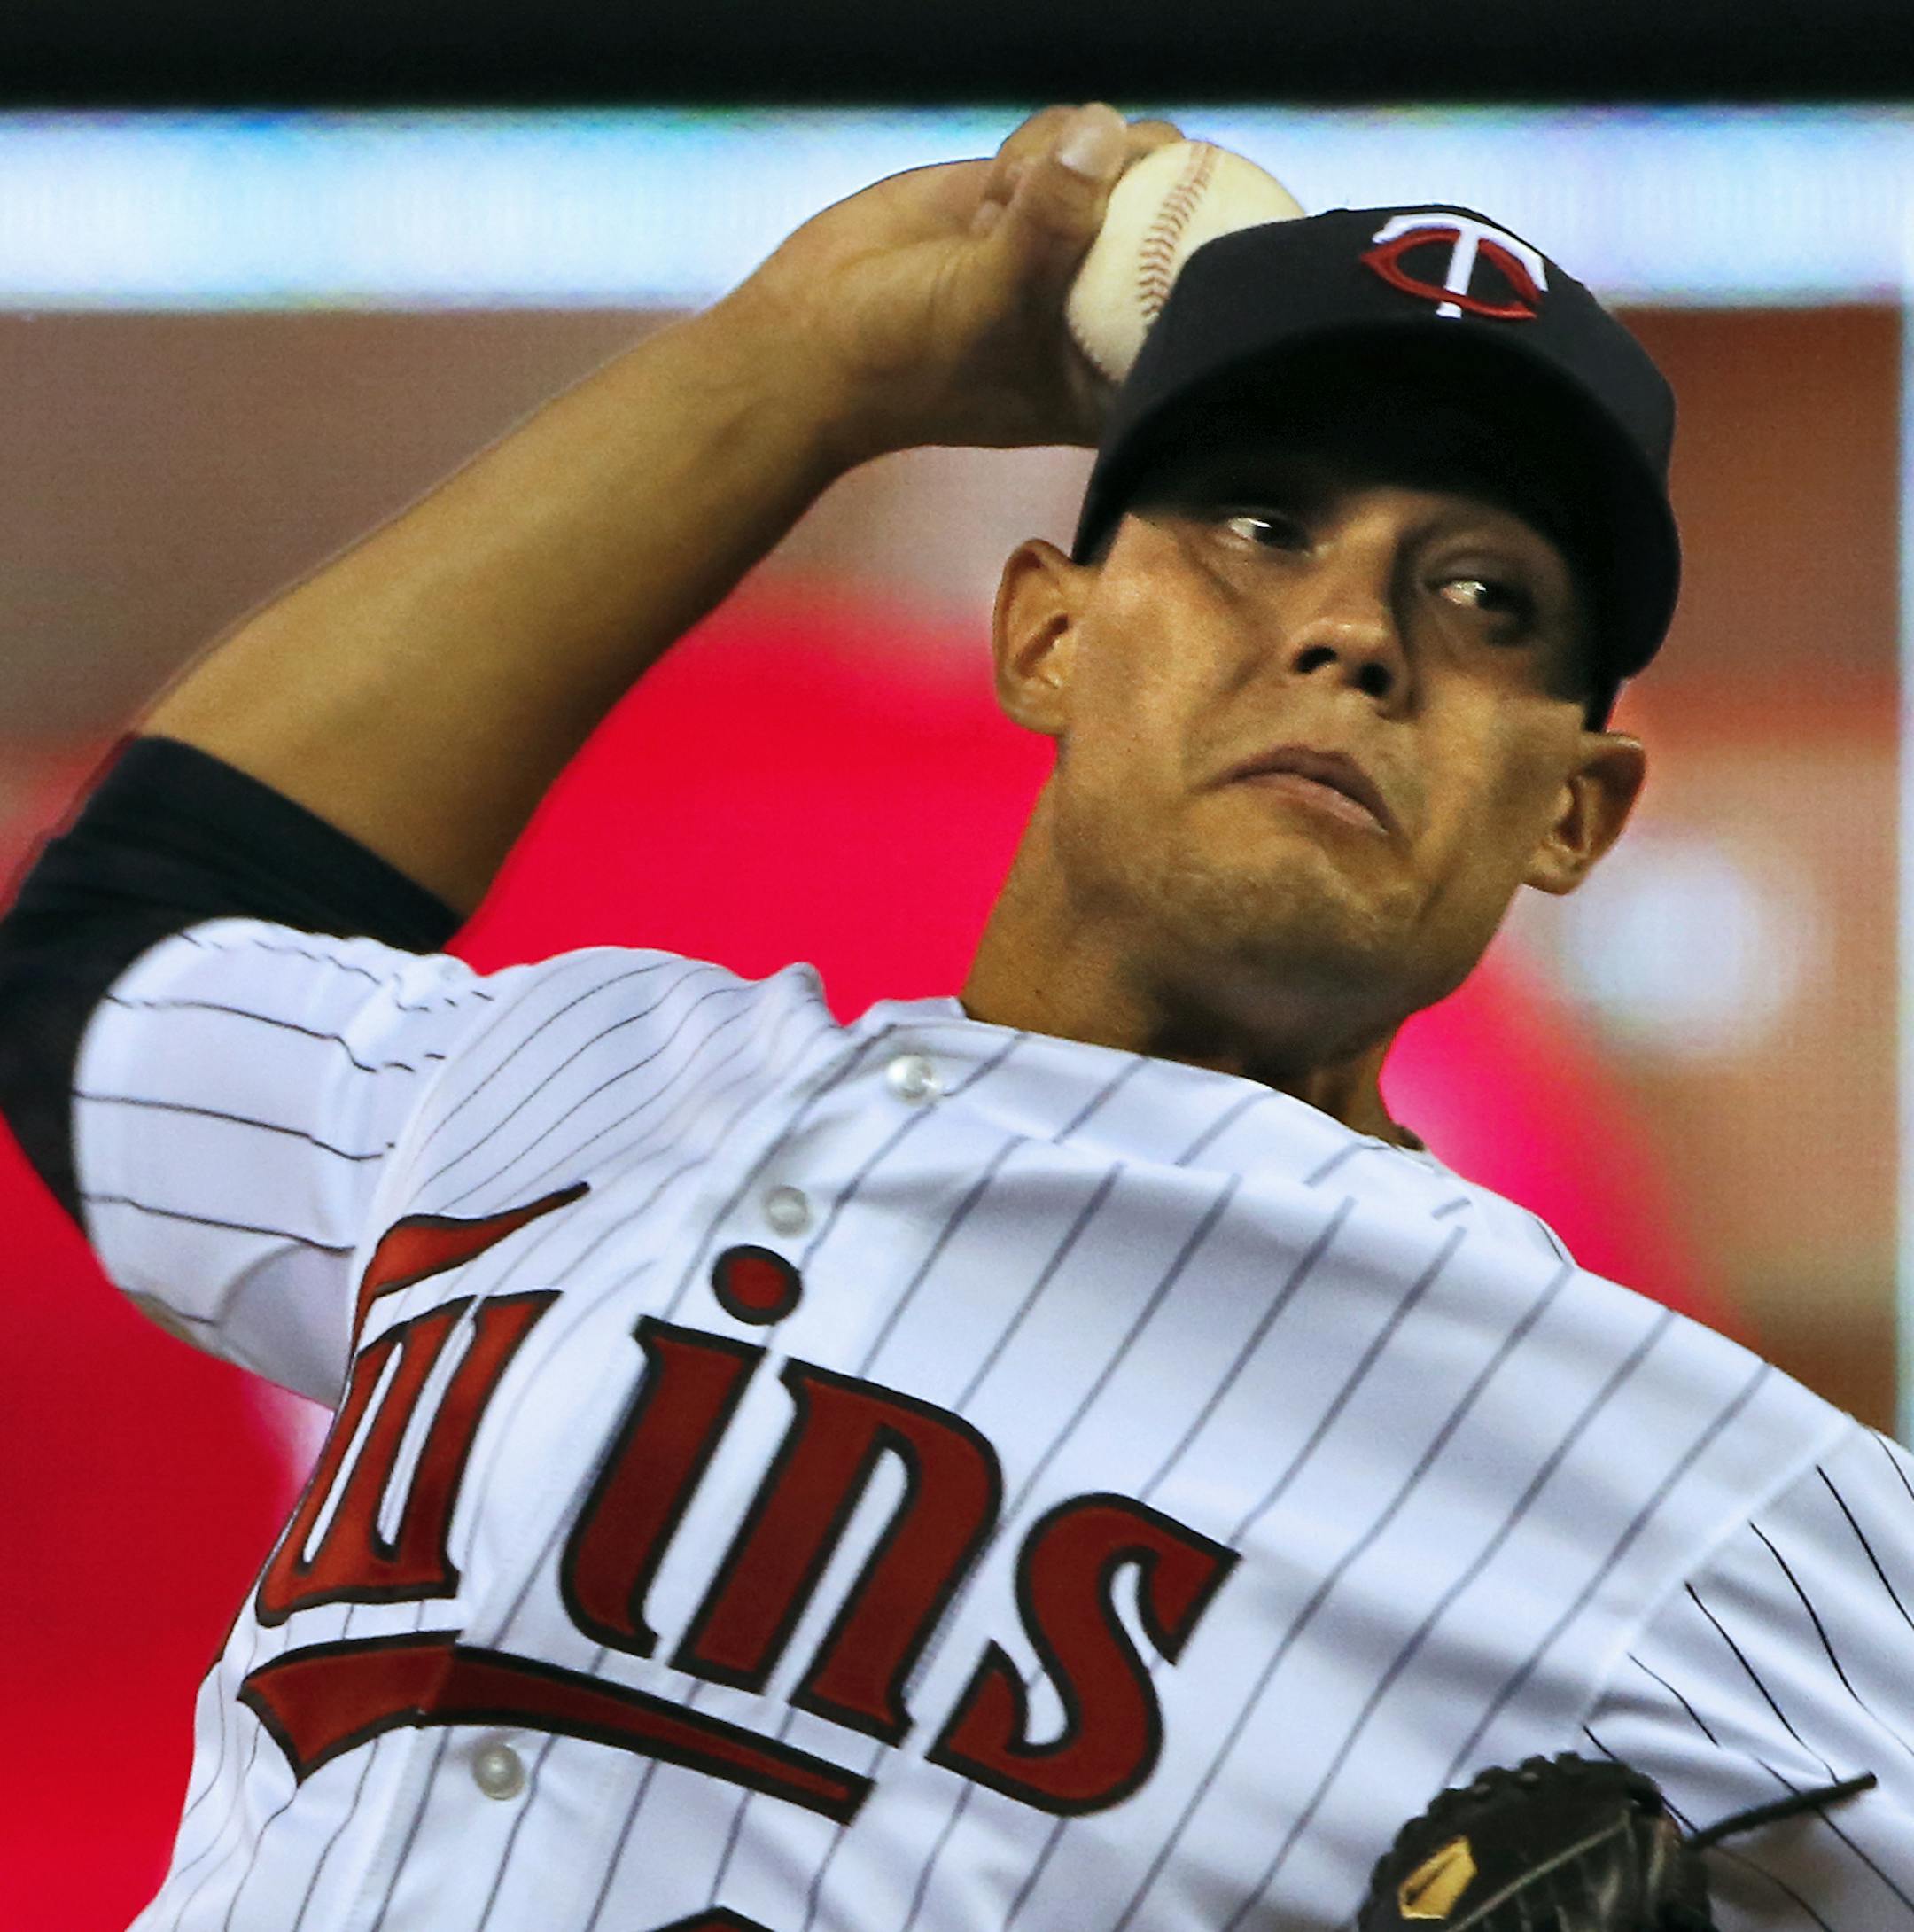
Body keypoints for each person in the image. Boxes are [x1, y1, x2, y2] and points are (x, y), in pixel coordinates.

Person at [1, 100, 1910, 1932]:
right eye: (1259, 522)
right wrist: (804, 365)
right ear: (1046, 633)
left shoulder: (1674, 1491)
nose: (1353, 632)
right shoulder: (573, 1081)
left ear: (1569, 810)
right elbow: (129, 949)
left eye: (1488, 596)